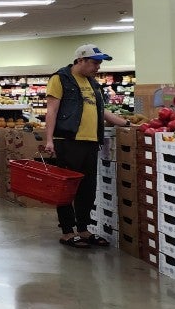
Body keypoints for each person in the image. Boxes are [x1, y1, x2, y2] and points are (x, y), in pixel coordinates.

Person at [43, 44, 133, 248]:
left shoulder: (92, 83)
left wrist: (126, 123)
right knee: (67, 189)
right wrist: (49, 140)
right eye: (94, 62)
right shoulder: (60, 78)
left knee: (87, 189)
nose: (98, 67)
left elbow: (101, 111)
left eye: (99, 63)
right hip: (68, 140)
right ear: (80, 60)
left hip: (91, 142)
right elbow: (52, 111)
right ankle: (67, 232)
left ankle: (83, 229)